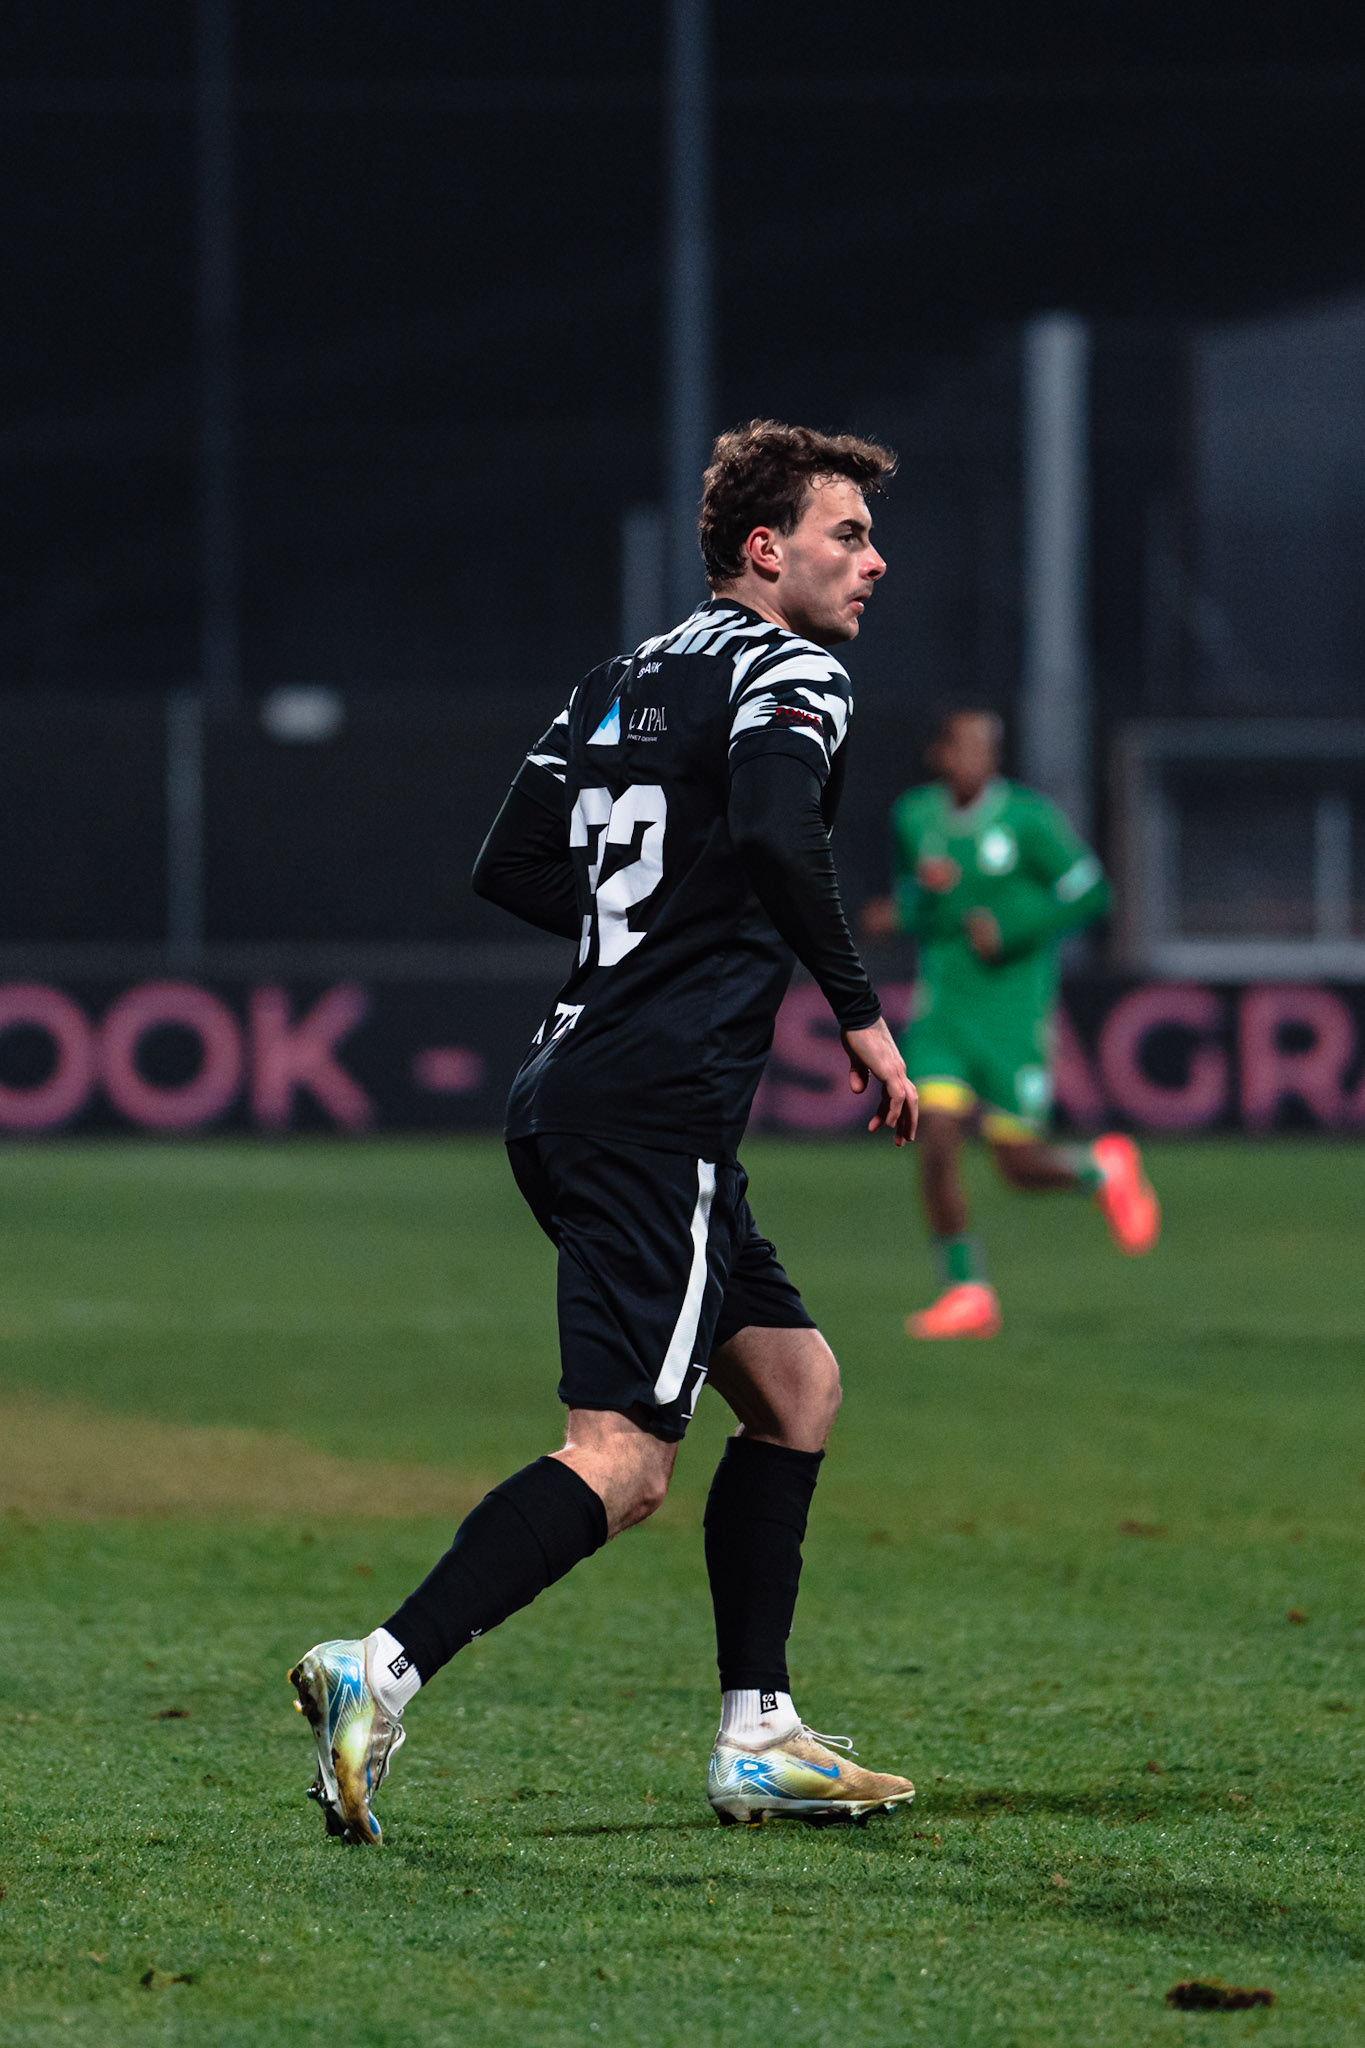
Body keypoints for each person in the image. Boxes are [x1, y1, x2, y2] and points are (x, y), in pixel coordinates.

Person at [289, 421, 920, 1844]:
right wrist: (858, 1013)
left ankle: (758, 1736)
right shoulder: (789, 667)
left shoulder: (621, 676)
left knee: (797, 1387)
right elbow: (772, 825)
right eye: (845, 537)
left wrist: (643, 936)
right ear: (766, 552)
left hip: (577, 1081)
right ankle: (376, 1668)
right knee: (625, 1458)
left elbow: (510, 860)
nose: (872, 564)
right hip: (654, 1101)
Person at [862, 708, 1159, 1341]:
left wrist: (1015, 928)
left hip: (1013, 1017)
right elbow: (928, 901)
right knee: (934, 1141)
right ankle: (967, 1291)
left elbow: (1092, 892)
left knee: (1016, 1165)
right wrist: (901, 914)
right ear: (941, 755)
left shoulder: (1028, 820)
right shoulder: (915, 817)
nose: (978, 759)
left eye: (988, 749)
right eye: (965, 747)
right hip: (944, 1011)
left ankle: (1102, 1172)